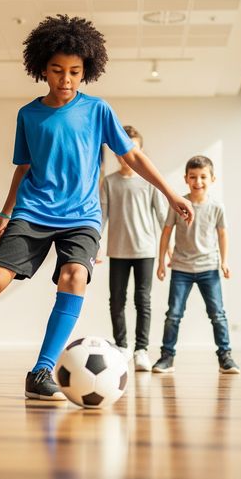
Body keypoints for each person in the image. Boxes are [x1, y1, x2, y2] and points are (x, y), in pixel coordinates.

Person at [0, 14, 194, 400]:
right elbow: (24, 167)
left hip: (82, 217)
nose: (66, 79)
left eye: (74, 71)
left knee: (75, 277)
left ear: (86, 70)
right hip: (33, 212)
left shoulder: (98, 110)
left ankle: (40, 371)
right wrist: (6, 212)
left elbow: (132, 156)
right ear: (42, 69)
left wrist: (171, 194)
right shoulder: (29, 115)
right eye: (57, 70)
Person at [152, 155, 239, 375]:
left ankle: (225, 357)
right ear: (186, 179)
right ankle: (167, 357)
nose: (198, 181)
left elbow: (222, 234)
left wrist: (224, 261)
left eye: (202, 177)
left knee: (217, 314)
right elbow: (166, 233)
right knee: (174, 314)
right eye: (193, 177)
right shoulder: (178, 204)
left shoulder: (216, 207)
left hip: (208, 268)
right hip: (181, 267)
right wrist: (161, 261)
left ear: (212, 179)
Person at [99, 125, 168, 372]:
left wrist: (167, 248)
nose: (127, 155)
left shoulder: (148, 181)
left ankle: (141, 350)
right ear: (116, 152)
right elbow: (102, 215)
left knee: (143, 300)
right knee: (116, 300)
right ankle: (122, 347)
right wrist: (95, 245)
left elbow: (162, 215)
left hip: (145, 250)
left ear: (140, 151)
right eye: (122, 150)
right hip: (117, 250)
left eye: (133, 150)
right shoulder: (108, 182)